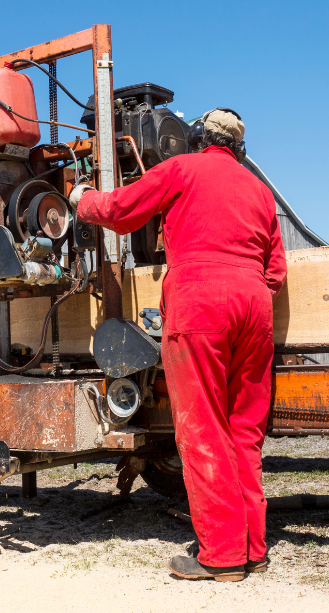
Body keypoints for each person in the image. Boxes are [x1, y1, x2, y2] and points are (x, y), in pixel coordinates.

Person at [70, 108, 287, 582]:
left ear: (196, 138)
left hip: (200, 304)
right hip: (254, 307)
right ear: (238, 147)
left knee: (203, 428)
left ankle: (222, 555)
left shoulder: (182, 169)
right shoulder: (259, 191)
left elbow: (122, 213)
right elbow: (275, 272)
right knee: (244, 432)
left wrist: (82, 198)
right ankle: (254, 547)